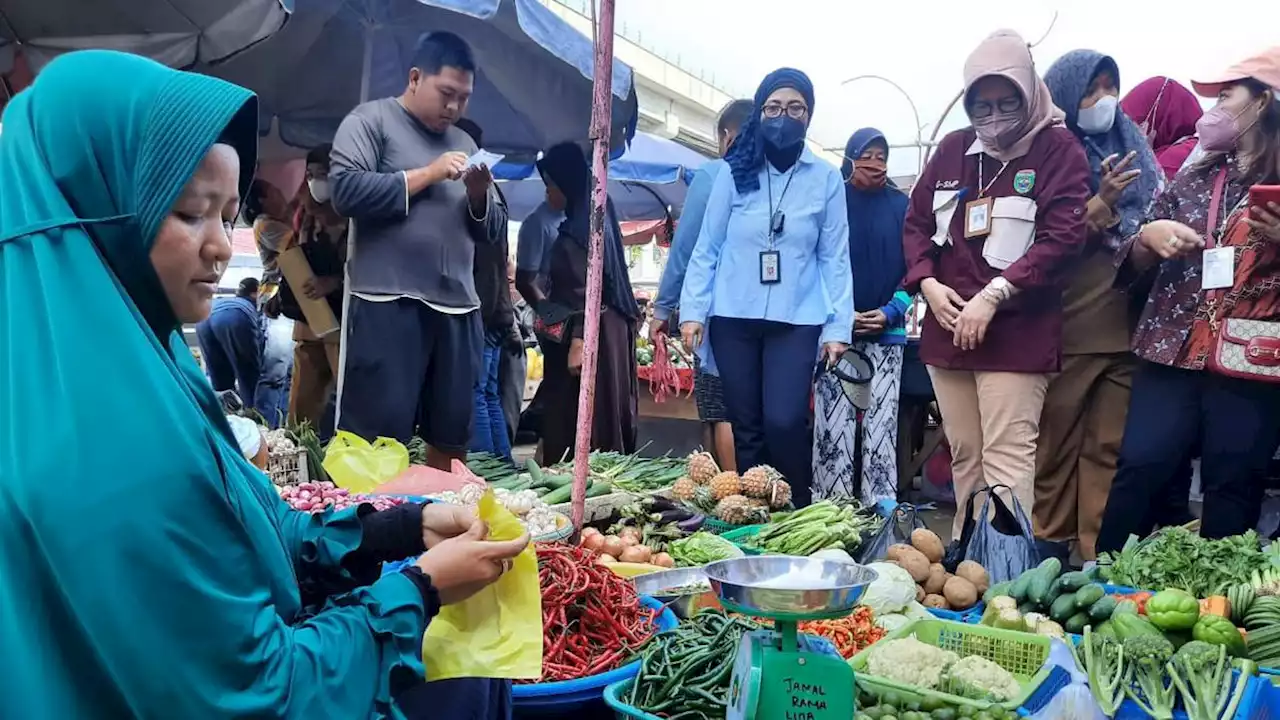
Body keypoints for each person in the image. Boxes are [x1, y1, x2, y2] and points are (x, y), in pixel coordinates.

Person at [0, 49, 528, 719]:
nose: (223, 246)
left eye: (227, 214)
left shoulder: (137, 356)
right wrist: (418, 593)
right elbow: (259, 698)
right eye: (191, 212)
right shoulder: (112, 447)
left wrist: (393, 531)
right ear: (101, 212)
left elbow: (244, 524)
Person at [901, 30, 1091, 539]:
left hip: (1016, 335)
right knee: (965, 454)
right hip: (948, 330)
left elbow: (1064, 237)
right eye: (980, 106)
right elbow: (917, 223)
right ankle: (969, 564)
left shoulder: (1057, 148)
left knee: (1007, 458)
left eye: (1006, 102)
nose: (993, 117)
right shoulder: (954, 149)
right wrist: (927, 285)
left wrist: (996, 293)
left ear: (1029, 93)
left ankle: (1006, 580)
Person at [1098, 47, 1280, 549]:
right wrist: (1148, 239)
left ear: (1263, 103)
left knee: (1233, 483)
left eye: (1226, 96)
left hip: (1250, 356)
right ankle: (1105, 582)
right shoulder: (1197, 173)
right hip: (1171, 348)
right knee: (1141, 464)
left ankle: (1218, 606)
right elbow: (1131, 258)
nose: (1213, 110)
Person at [330, 31, 505, 471]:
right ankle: (375, 528)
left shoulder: (466, 144)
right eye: (446, 93)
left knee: (451, 433)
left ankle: (443, 521)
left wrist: (481, 197)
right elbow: (345, 191)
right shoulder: (369, 121)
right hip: (388, 302)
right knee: (375, 437)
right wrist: (427, 173)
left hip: (459, 309)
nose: (455, 107)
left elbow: (495, 231)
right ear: (414, 77)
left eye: (464, 98)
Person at [680, 68, 853, 507]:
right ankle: (761, 521)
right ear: (760, 112)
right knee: (747, 425)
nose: (783, 116)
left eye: (795, 108)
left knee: (785, 420)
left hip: (798, 317)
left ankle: (795, 507)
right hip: (733, 314)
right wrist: (692, 312)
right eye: (773, 108)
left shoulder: (826, 178)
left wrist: (837, 328)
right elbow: (708, 245)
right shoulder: (734, 170)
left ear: (809, 116)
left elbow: (834, 256)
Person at [1033, 50, 1161, 562]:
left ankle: (1094, 561)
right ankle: (1046, 554)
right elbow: (1050, 240)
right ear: (1064, 95)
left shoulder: (1136, 149)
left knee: (1107, 449)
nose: (1103, 100)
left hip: (1125, 330)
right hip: (1068, 327)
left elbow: (1158, 213)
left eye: (1110, 87)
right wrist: (1102, 199)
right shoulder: (1050, 155)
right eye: (1090, 90)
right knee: (1055, 448)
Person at [651, 98, 752, 471]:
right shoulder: (776, 179)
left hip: (713, 311)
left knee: (717, 407)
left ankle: (730, 493)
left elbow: (686, 246)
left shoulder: (714, 175)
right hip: (765, 316)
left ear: (726, 135)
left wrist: (663, 308)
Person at [813, 128, 911, 504]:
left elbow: (916, 268)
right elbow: (817, 262)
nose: (875, 163)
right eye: (866, 155)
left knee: (881, 431)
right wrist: (839, 315)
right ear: (850, 157)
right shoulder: (832, 201)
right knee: (833, 433)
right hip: (838, 335)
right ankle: (829, 514)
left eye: (881, 156)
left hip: (887, 336)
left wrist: (892, 310)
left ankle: (880, 516)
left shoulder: (901, 206)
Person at [535, 142, 640, 464]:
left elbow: (586, 289)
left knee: (582, 419)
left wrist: (579, 341)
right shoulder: (596, 210)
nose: (548, 195)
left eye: (550, 186)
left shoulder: (582, 230)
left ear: (566, 185)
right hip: (604, 332)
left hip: (590, 338)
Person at [456, 117, 519, 462]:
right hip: (497, 308)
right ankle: (503, 467)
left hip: (483, 306)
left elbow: (485, 242)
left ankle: (485, 468)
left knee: (476, 392)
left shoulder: (481, 189)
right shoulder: (494, 190)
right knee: (488, 392)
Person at [284, 144, 346, 432]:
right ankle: (298, 457)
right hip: (308, 323)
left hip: (341, 325)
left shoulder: (356, 217)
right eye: (310, 174)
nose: (315, 181)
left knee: (348, 402)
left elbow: (370, 267)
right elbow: (293, 255)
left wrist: (335, 282)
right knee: (301, 408)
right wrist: (281, 294)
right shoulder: (304, 215)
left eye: (324, 173)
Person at [195, 276, 264, 413]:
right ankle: (254, 416)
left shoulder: (228, 300)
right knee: (248, 373)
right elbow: (255, 353)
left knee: (218, 376)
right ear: (254, 293)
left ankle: (224, 418)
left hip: (204, 318)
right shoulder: (249, 306)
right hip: (234, 316)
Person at [1121, 76, 1205, 182]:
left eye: (1133, 124)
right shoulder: (1199, 147)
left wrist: (1142, 158)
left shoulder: (1175, 157)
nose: (1128, 133)